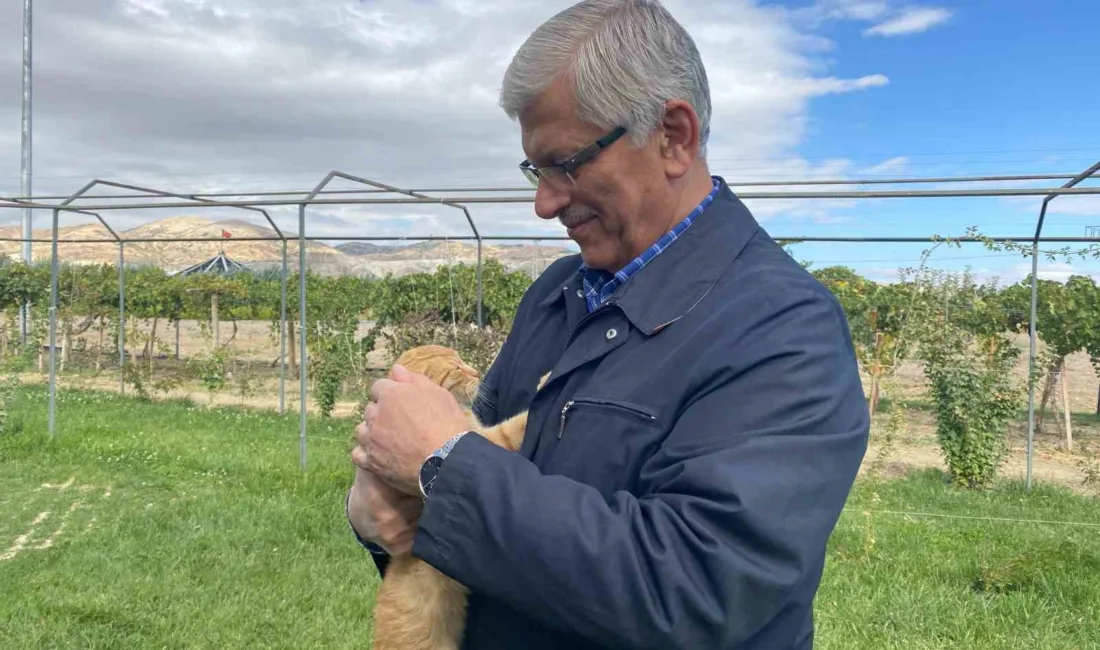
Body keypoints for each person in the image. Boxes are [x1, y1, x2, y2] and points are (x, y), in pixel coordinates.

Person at [347, 1, 870, 648]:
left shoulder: (785, 330)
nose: (544, 203)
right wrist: (385, 510)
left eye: (566, 162)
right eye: (535, 170)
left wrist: (445, 466)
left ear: (673, 136)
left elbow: (696, 591)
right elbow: (466, 521)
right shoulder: (553, 296)